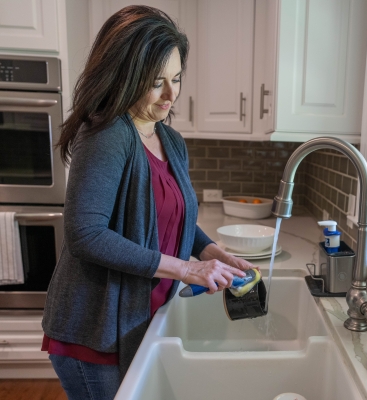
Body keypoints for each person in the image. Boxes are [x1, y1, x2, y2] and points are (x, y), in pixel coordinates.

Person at [41, 5, 255, 400]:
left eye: (176, 79)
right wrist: (186, 269)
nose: (172, 95)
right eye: (157, 82)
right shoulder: (108, 134)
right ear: (124, 76)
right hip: (95, 331)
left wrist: (213, 252)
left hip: (139, 319)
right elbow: (84, 233)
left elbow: (177, 218)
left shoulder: (169, 140)